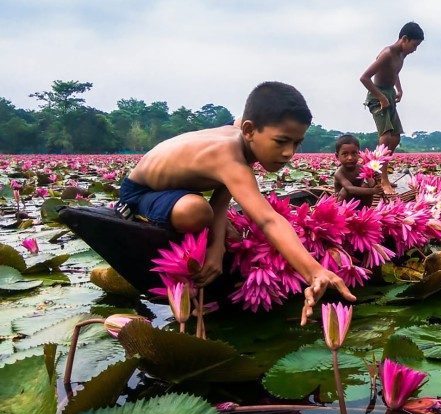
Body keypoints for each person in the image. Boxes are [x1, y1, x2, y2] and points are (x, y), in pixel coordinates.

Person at [118, 81, 356, 325]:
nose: (289, 153)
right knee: (198, 212)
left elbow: (223, 191)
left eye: (296, 143)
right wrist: (313, 270)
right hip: (141, 193)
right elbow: (266, 219)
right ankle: (139, 214)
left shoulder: (243, 130)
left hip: (178, 189)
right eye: (281, 141)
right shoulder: (227, 156)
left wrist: (217, 247)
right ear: (250, 130)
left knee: (215, 221)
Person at [360, 21, 424, 194]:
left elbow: (395, 73)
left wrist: (399, 89)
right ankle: (383, 180)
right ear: (404, 39)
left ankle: (376, 171)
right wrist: (380, 97)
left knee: (395, 138)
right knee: (386, 137)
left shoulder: (402, 55)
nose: (415, 49)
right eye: (414, 45)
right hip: (376, 96)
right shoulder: (387, 53)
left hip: (389, 95)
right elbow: (364, 78)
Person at [333, 135, 383, 207]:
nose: (350, 158)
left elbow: (371, 184)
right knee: (345, 190)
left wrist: (375, 177)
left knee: (366, 186)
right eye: (345, 154)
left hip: (359, 202)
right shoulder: (339, 173)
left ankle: (365, 210)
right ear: (337, 156)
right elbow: (350, 189)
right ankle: (343, 212)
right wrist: (373, 191)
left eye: (354, 153)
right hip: (343, 204)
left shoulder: (361, 168)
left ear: (359, 154)